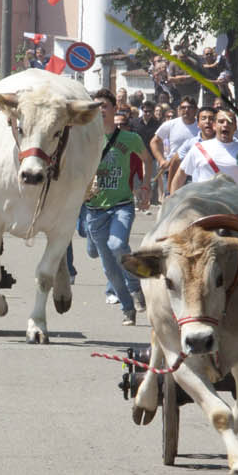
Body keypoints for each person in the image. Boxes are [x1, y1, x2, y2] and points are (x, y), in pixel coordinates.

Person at [83, 88, 152, 325]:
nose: (100, 110)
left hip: (122, 205)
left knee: (117, 244)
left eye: (104, 106)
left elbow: (146, 159)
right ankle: (128, 307)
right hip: (94, 209)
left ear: (114, 109)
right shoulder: (85, 139)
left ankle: (135, 286)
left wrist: (145, 186)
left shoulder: (130, 138)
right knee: (110, 270)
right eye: (95, 106)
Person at [172, 108, 238, 190]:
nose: (225, 125)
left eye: (230, 122)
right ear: (214, 126)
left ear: (235, 127)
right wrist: (173, 203)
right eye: (221, 121)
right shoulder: (199, 149)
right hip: (203, 205)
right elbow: (180, 175)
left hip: (233, 205)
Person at [151, 96, 199, 191]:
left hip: (194, 171)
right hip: (172, 169)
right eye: (183, 107)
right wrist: (161, 160)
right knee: (172, 201)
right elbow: (154, 142)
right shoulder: (170, 124)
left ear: (195, 110)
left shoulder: (201, 125)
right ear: (179, 109)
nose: (186, 110)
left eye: (190, 107)